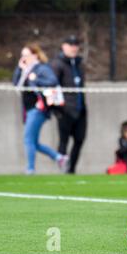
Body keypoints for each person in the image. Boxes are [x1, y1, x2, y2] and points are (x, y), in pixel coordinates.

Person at [12, 43, 69, 175]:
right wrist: (20, 69)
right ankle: (60, 158)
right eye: (22, 55)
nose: (24, 58)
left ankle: (30, 169)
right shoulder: (25, 70)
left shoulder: (41, 68)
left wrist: (36, 79)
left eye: (26, 55)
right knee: (34, 142)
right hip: (28, 109)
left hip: (38, 108)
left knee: (28, 139)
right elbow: (16, 83)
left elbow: (53, 81)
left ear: (35, 55)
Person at [50, 35, 87, 174]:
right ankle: (63, 168)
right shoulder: (57, 64)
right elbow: (52, 86)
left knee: (79, 139)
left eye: (76, 44)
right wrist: (56, 108)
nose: (74, 47)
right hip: (65, 109)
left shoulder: (79, 64)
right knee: (63, 141)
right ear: (63, 46)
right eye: (71, 44)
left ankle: (71, 169)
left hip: (80, 108)